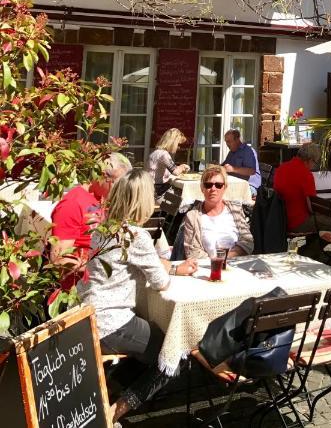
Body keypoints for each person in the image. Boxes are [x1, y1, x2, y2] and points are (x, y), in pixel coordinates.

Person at [78, 168, 198, 424]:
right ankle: (112, 413)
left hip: (86, 318)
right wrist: (173, 270)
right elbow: (161, 283)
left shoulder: (100, 228)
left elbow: (145, 268)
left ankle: (109, 391)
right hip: (111, 322)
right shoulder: (135, 235)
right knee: (171, 354)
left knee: (153, 341)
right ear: (143, 201)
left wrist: (172, 267)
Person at [50, 152, 132, 285]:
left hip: (104, 283)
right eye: (118, 184)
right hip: (79, 288)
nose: (122, 190)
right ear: (104, 176)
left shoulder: (103, 199)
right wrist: (103, 268)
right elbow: (59, 259)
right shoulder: (72, 204)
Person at [182, 164, 254, 259]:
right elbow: (193, 252)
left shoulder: (235, 210)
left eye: (218, 185)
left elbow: (247, 241)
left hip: (236, 265)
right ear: (202, 188)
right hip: (208, 269)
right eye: (208, 185)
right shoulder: (193, 217)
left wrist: (227, 258)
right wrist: (217, 262)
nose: (213, 189)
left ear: (225, 187)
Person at [272, 142, 320, 233]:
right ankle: (313, 246)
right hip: (298, 222)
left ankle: (312, 245)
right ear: (310, 160)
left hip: (280, 220)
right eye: (315, 162)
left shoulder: (281, 168)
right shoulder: (306, 174)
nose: (314, 166)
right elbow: (311, 207)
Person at [146, 128, 190, 197]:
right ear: (173, 142)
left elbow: (171, 167)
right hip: (156, 189)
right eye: (178, 144)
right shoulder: (164, 154)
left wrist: (179, 167)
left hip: (149, 186)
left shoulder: (157, 152)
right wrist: (183, 166)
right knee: (182, 195)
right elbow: (175, 172)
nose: (178, 147)